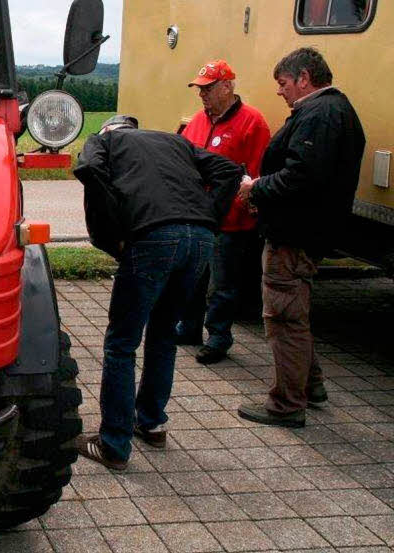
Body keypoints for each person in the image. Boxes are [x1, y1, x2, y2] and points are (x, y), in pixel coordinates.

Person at [73, 115, 242, 470]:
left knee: (121, 342)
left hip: (152, 236)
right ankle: (150, 424)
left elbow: (88, 169)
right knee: (163, 335)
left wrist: (115, 231)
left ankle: (114, 445)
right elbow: (229, 171)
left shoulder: (104, 141)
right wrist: (209, 215)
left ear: (107, 130)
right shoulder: (174, 140)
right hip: (201, 239)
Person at [236, 48, 365, 428]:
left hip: (294, 235)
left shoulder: (319, 115)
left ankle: (287, 404)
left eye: (283, 83)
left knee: (283, 317)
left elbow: (301, 177)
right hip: (308, 230)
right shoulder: (333, 110)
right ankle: (312, 385)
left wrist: (256, 187)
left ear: (304, 78)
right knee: (296, 310)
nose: (280, 91)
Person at [176, 60, 271, 364]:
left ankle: (218, 336)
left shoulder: (252, 122)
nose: (201, 94)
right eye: (199, 88)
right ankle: (189, 328)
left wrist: (246, 208)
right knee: (192, 278)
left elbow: (257, 174)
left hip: (230, 222)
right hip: (198, 216)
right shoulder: (198, 122)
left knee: (222, 284)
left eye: (208, 88)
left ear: (227, 86)